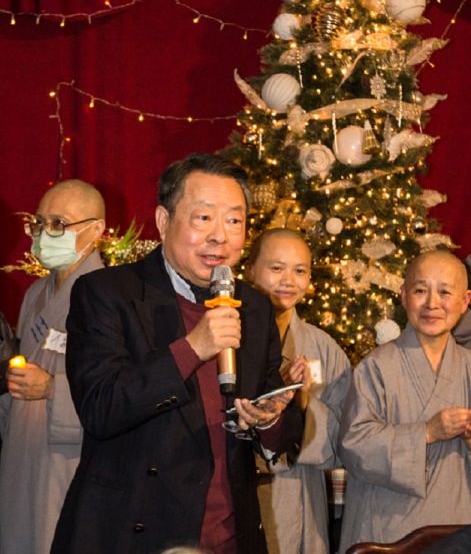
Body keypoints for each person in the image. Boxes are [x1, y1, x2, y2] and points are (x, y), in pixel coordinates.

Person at [52, 154, 304, 554]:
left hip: (227, 536)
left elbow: (280, 433)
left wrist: (271, 417)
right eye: (204, 218)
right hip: (131, 534)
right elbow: (101, 408)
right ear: (163, 221)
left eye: (234, 221)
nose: (220, 236)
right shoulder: (108, 294)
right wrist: (192, 348)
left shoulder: (253, 307)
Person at [338, 250, 471, 553]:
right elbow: (353, 446)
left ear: (465, 302)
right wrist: (426, 432)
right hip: (387, 528)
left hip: (458, 530)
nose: (432, 304)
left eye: (445, 292)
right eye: (420, 290)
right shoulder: (376, 366)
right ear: (403, 296)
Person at [0, 179, 106, 554]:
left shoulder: (109, 297)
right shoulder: (36, 293)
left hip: (68, 459)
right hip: (23, 453)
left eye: (60, 224)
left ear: (97, 230)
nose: (46, 234)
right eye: (40, 223)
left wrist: (51, 388)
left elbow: (120, 391)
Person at [245, 228, 351, 554]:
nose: (288, 280)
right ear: (249, 270)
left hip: (299, 492)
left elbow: (348, 428)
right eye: (276, 268)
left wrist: (302, 405)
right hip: (242, 487)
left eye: (300, 270)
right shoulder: (228, 335)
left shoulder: (322, 346)